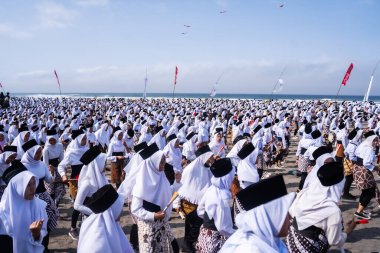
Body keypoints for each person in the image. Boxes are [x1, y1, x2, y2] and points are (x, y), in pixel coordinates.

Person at [286, 159, 356, 252]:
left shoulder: (305, 192)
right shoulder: (332, 210)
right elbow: (334, 241)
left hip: (291, 241)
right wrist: (348, 231)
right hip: (308, 247)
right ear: (339, 185)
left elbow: (291, 212)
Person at [219, 175, 295, 252]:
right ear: (272, 216)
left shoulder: (268, 240)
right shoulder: (251, 249)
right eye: (285, 212)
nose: (291, 217)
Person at [131, 150, 179, 253]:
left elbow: (168, 195)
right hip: (147, 226)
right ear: (153, 163)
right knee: (149, 249)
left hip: (161, 223)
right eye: (160, 162)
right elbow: (135, 209)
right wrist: (153, 216)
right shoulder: (141, 184)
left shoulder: (162, 178)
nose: (163, 165)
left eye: (164, 161)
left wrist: (177, 183)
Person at [21, 139, 59, 251]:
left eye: (40, 152)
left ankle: (44, 245)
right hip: (29, 199)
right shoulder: (22, 167)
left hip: (43, 196)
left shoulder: (42, 164)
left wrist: (51, 172)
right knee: (32, 225)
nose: (39, 155)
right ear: (29, 154)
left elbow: (49, 180)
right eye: (36, 153)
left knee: (46, 223)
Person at [0, 169, 48, 253]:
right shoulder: (2, 210)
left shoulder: (39, 206)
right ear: (16, 187)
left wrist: (37, 234)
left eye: (34, 183)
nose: (33, 188)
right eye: (28, 185)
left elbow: (43, 232)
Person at [178, 146, 215, 252]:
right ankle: (188, 243)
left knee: (193, 225)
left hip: (201, 202)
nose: (211, 159)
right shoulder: (191, 169)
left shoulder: (207, 168)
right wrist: (178, 205)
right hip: (189, 203)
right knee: (195, 224)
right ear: (204, 157)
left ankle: (187, 245)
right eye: (210, 157)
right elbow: (181, 186)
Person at [78, 184, 134, 253]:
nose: (122, 211)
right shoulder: (97, 241)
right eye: (119, 207)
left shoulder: (111, 225)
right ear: (111, 210)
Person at [196, 158, 235, 252]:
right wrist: (237, 234)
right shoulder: (222, 197)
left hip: (205, 234)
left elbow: (200, 211)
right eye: (232, 175)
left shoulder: (211, 189)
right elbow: (223, 228)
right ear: (228, 177)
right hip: (215, 240)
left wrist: (209, 221)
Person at [57, 129, 89, 240]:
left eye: (85, 138)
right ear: (78, 140)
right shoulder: (71, 152)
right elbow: (61, 166)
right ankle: (72, 228)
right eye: (83, 139)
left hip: (88, 178)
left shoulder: (87, 150)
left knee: (88, 202)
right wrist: (64, 176)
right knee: (77, 205)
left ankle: (85, 224)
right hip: (76, 180)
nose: (85, 140)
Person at [353, 130, 380, 219]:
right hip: (363, 171)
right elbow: (367, 163)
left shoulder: (364, 144)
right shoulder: (369, 149)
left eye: (377, 140)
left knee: (366, 191)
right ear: (370, 140)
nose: (376, 142)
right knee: (370, 191)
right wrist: (376, 168)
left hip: (358, 168)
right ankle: (358, 212)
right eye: (374, 140)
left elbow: (357, 155)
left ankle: (360, 210)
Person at [74, 145, 107, 217]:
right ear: (98, 164)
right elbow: (77, 205)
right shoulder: (87, 183)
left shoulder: (103, 177)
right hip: (91, 218)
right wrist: (96, 213)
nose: (105, 166)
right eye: (104, 163)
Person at [42, 129, 65, 206]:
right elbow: (45, 163)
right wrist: (50, 173)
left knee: (59, 189)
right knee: (51, 191)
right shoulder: (46, 149)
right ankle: (51, 206)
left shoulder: (60, 146)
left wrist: (62, 172)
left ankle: (56, 206)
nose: (52, 142)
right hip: (49, 170)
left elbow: (62, 159)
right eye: (50, 140)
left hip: (58, 168)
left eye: (53, 140)